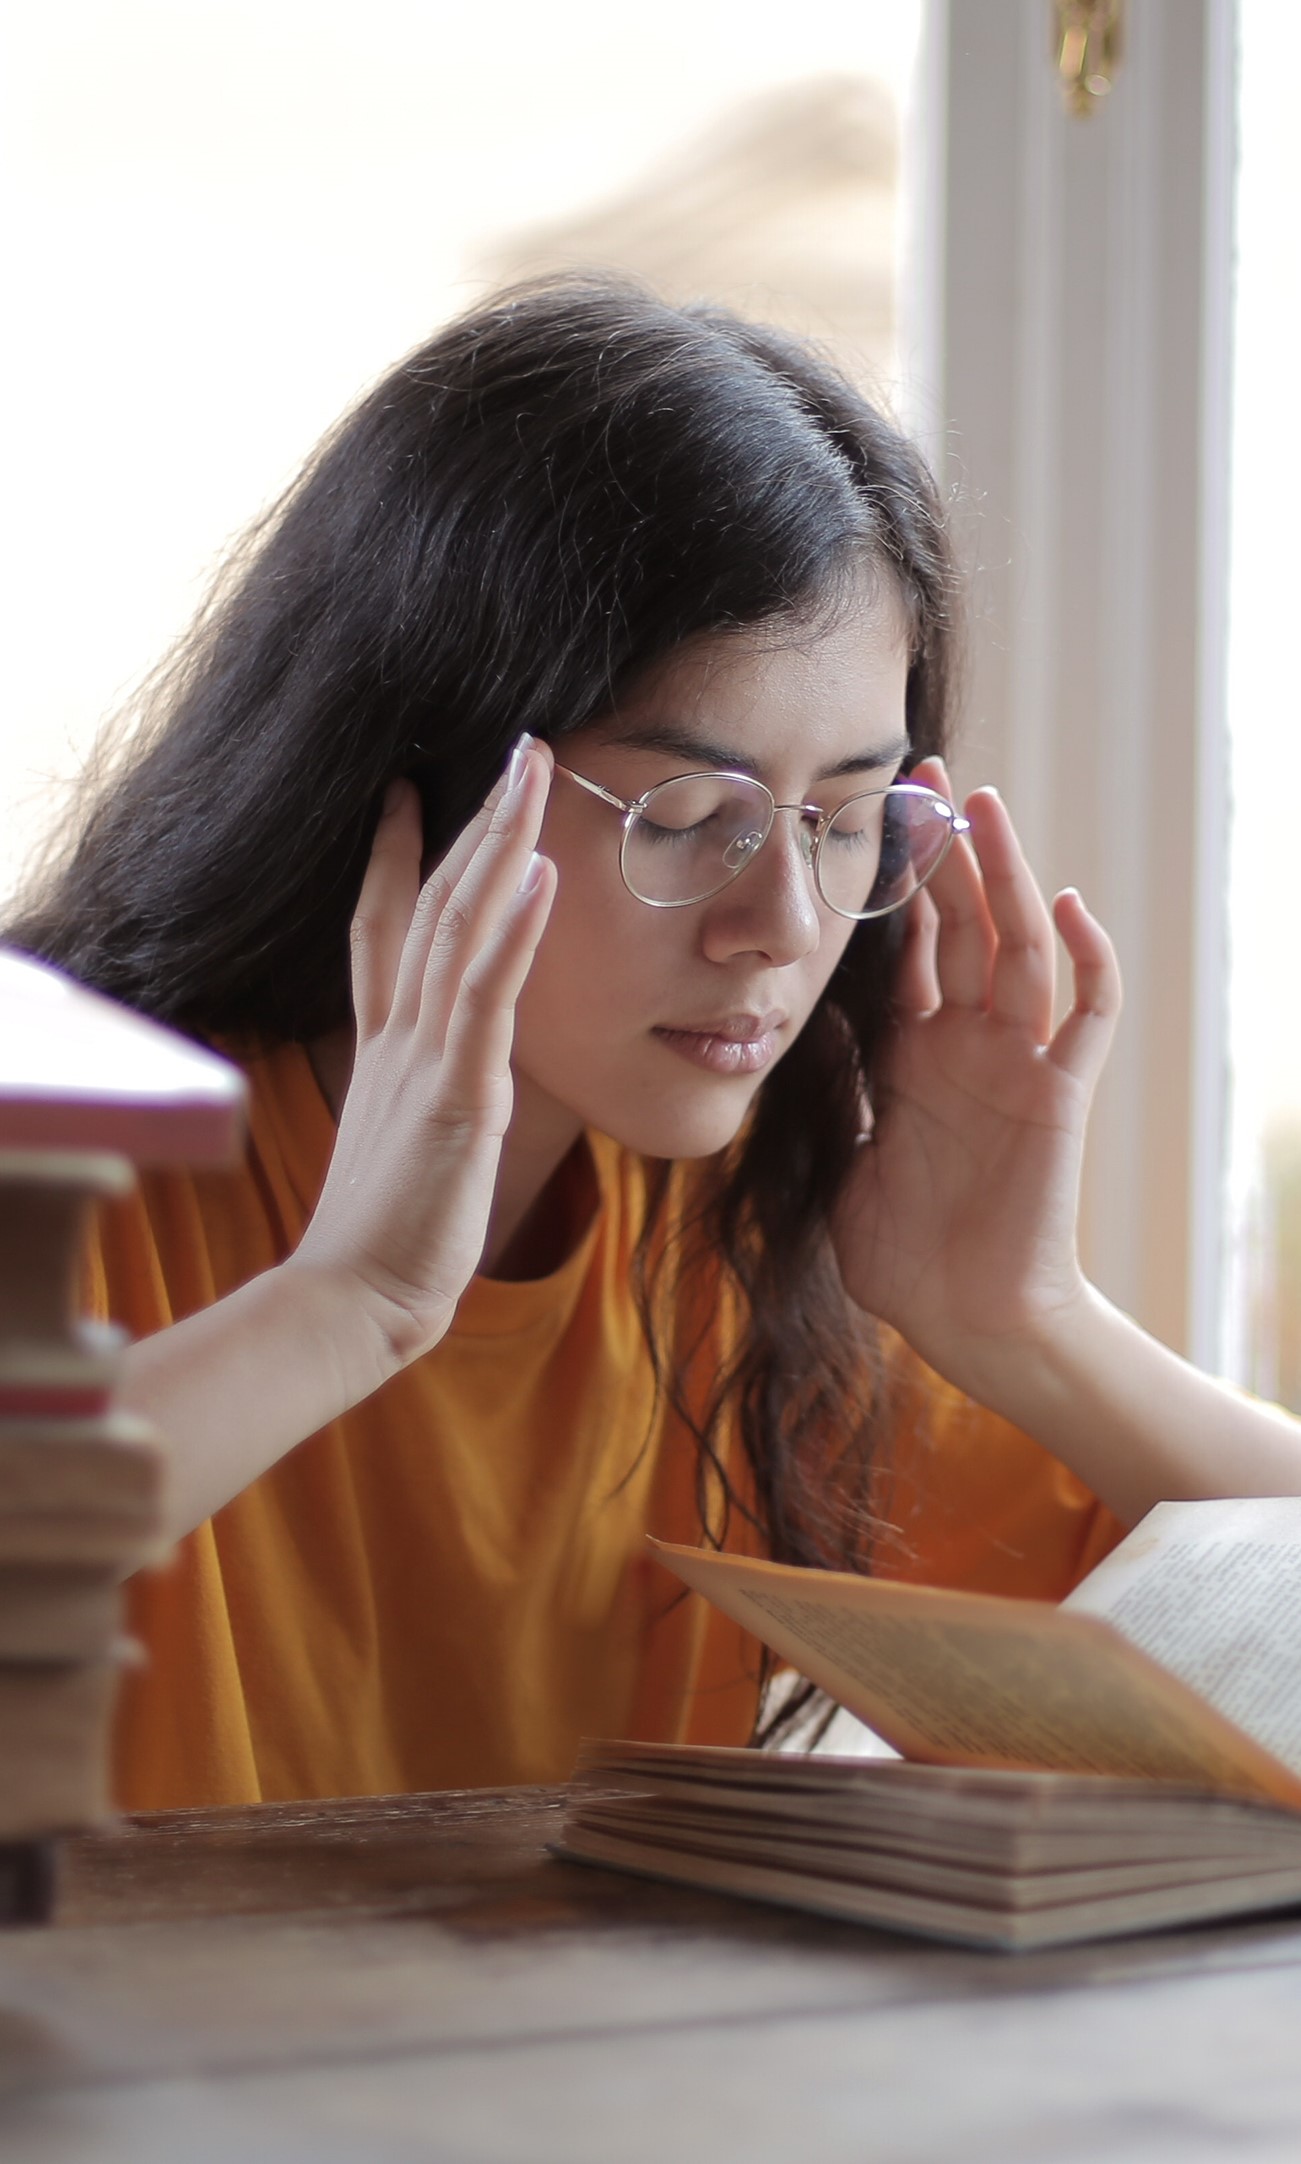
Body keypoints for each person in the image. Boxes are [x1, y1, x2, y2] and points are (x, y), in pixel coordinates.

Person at [8, 277, 1300, 1811]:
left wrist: (1021, 1317)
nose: (780, 924)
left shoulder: (717, 1227)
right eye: (687, 820)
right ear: (403, 785)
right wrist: (344, 1304)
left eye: (837, 822)